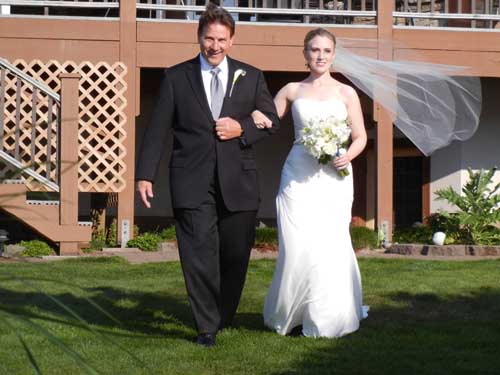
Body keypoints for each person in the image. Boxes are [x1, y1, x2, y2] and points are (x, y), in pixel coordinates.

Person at [135, 3, 279, 347]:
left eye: (222, 39)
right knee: (197, 254)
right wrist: (145, 175)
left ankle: (222, 313)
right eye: (209, 38)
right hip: (191, 180)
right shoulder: (175, 77)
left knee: (234, 255)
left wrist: (240, 128)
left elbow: (271, 121)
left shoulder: (252, 75)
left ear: (232, 40)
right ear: (199, 37)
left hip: (239, 183)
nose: (215, 46)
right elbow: (157, 130)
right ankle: (206, 326)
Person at [252, 27, 368, 338]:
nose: (320, 56)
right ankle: (292, 313)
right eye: (314, 50)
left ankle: (326, 315)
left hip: (334, 175)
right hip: (297, 174)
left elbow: (360, 137)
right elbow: (268, 121)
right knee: (296, 242)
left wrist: (348, 157)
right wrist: (252, 115)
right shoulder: (292, 89)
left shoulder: (346, 93)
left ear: (333, 55)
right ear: (305, 54)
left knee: (328, 242)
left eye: (326, 51)